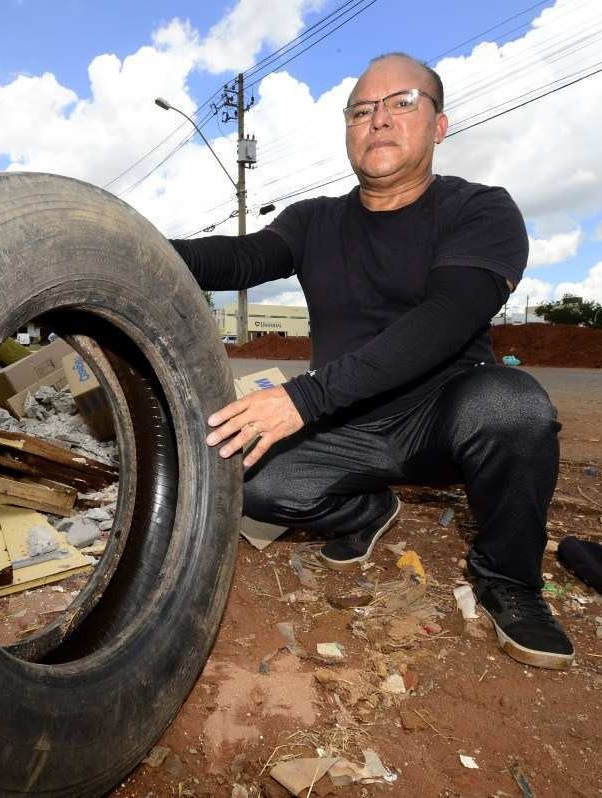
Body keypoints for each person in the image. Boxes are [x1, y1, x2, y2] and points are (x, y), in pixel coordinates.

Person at [169, 53, 573, 670]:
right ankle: (365, 509)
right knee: (245, 479)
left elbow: (439, 323)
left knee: (513, 406)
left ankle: (508, 581)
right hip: (347, 422)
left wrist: (301, 400)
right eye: (362, 109)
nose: (378, 119)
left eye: (402, 102)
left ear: (439, 125)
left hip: (444, 416)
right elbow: (236, 258)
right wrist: (123, 236)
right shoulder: (315, 221)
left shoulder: (482, 211)